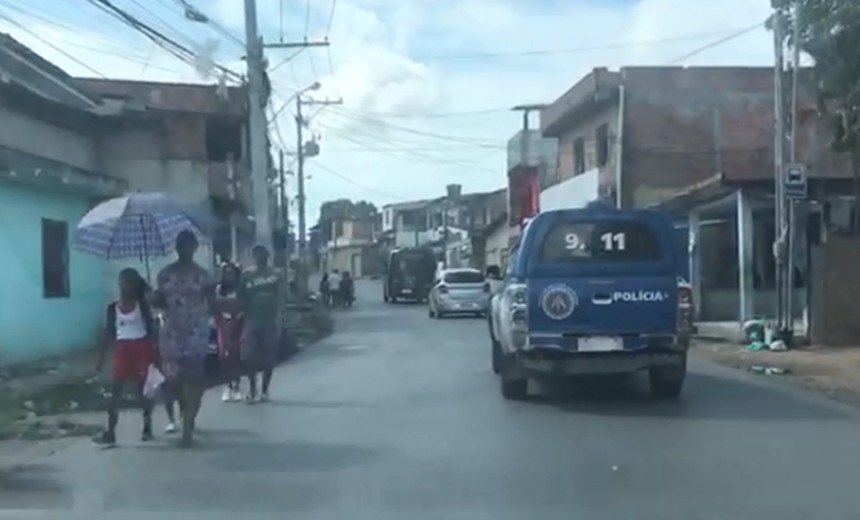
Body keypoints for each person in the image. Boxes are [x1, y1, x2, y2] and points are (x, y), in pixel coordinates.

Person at [152, 230, 213, 447]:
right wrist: (153, 297)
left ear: (195, 248)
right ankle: (185, 409)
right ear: (176, 247)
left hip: (197, 332)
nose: (185, 249)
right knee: (174, 380)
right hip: (170, 334)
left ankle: (187, 425)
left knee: (195, 380)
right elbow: (158, 303)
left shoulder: (204, 275)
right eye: (181, 245)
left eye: (189, 245)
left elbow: (212, 304)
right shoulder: (164, 275)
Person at [93, 268, 157, 448]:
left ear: (135, 285)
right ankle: (111, 432)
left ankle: (147, 426)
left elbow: (152, 330)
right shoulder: (112, 308)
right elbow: (108, 334)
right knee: (116, 392)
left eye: (129, 283)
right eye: (122, 283)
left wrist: (156, 354)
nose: (125, 287)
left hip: (141, 347)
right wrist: (100, 359)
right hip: (122, 349)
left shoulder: (142, 306)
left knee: (142, 391)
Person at [238, 244, 284, 403]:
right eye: (257, 254)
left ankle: (264, 390)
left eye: (263, 254)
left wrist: (280, 316)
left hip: (270, 320)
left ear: (267, 256)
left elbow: (282, 296)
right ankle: (252, 388)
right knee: (247, 356)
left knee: (269, 358)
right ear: (254, 256)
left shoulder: (276, 274)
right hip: (251, 320)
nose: (260, 257)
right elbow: (240, 298)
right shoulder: (246, 276)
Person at [215, 262, 244, 402]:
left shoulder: (240, 289)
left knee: (236, 355)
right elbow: (216, 308)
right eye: (226, 273)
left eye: (231, 273)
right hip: (223, 323)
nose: (229, 276)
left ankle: (237, 386)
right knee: (223, 356)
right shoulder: (220, 289)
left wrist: (235, 321)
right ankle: (228, 386)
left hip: (239, 323)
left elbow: (242, 307)